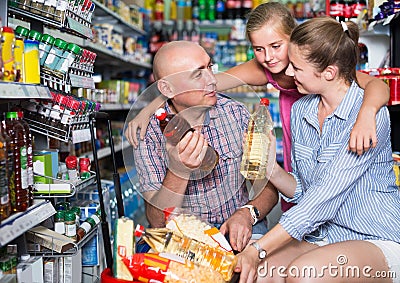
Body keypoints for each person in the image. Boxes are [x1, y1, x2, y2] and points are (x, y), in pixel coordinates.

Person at [124, 2, 390, 212]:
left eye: (276, 46)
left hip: (331, 127)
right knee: (297, 188)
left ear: (294, 38)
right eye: (259, 49)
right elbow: (198, 84)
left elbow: (377, 86)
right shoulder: (263, 69)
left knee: (330, 192)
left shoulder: (317, 63)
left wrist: (366, 115)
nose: (268, 57)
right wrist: (150, 107)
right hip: (296, 134)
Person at [234, 17, 400, 283]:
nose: (288, 74)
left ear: (329, 73)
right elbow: (305, 190)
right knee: (262, 273)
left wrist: (257, 248)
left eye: (297, 68)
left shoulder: (368, 117)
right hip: (326, 234)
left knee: (304, 274)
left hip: (375, 236)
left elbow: (321, 200)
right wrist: (270, 168)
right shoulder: (302, 110)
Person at [132, 41, 279, 252]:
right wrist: (179, 171)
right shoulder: (149, 132)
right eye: (197, 74)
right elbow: (157, 221)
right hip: (180, 236)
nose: (212, 80)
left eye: (210, 67)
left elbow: (269, 186)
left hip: (235, 227)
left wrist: (247, 213)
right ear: (167, 88)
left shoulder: (236, 114)